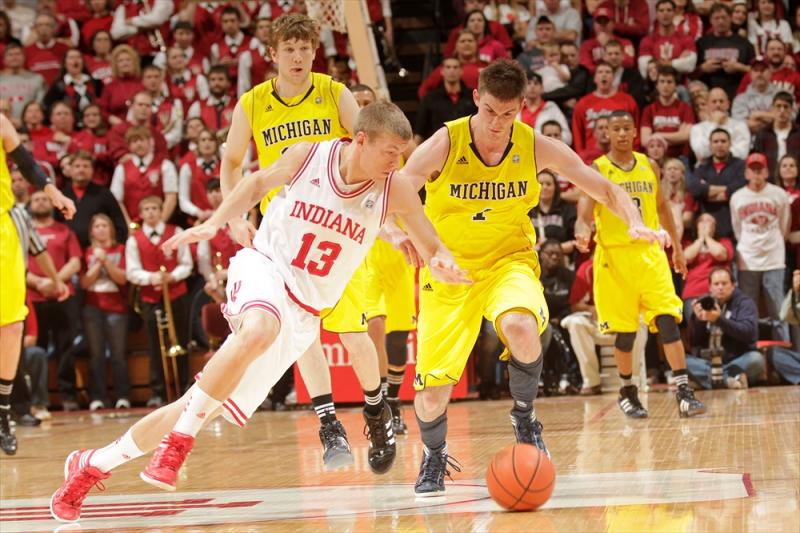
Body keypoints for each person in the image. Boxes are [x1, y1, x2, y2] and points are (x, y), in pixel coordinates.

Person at [49, 100, 468, 522]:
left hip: (303, 314)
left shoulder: (393, 188)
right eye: (390, 153)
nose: (398, 163)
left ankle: (92, 464)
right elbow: (253, 186)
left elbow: (431, 243)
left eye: (402, 154)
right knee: (260, 328)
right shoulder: (310, 155)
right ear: (360, 140)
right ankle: (178, 445)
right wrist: (215, 224)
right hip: (264, 267)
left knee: (193, 402)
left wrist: (444, 262)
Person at [390, 60, 661, 497]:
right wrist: (411, 242)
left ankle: (523, 415)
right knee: (433, 393)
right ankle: (435, 454)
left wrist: (632, 220)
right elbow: (398, 192)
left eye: (509, 114)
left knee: (520, 325)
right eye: (491, 111)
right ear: (476, 98)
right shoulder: (446, 141)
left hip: (508, 262)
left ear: (522, 108)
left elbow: (602, 185)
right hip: (449, 271)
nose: (498, 124)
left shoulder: (536, 145)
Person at [220, 13, 399, 471]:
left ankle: (377, 411)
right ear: (272, 55)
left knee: (352, 330)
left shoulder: (333, 93)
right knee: (302, 335)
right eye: (289, 49)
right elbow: (233, 161)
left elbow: (372, 144)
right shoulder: (253, 103)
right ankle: (328, 423)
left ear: (314, 52)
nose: (298, 57)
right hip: (283, 236)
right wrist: (235, 214)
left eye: (305, 48)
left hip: (336, 228)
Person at [575, 110, 706, 419]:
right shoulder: (598, 168)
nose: (621, 133)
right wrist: (582, 231)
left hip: (650, 255)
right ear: (606, 133)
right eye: (615, 129)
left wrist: (676, 250)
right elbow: (584, 212)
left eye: (626, 128)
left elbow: (662, 208)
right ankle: (627, 391)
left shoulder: (649, 164)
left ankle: (684, 392)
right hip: (615, 259)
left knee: (666, 320)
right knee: (626, 333)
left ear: (635, 132)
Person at [125, 196, 192, 407]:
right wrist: (151, 278)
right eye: (147, 208)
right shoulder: (134, 239)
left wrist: (172, 276)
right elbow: (132, 271)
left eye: (155, 208)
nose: (151, 212)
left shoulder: (177, 231)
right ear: (141, 213)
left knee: (180, 339)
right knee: (154, 344)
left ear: (162, 210)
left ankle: (185, 386)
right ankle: (159, 391)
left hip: (176, 293)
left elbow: (186, 263)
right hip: (150, 297)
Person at [562, 255, 647, 395]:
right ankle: (591, 381)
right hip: (597, 324)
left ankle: (632, 381)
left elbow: (641, 301)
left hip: (624, 323)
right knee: (576, 323)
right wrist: (591, 309)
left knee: (642, 322)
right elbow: (574, 305)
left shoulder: (629, 266)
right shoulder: (587, 268)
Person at [730, 152, 791, 341]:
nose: (756, 173)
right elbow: (737, 229)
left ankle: (785, 360)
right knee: (749, 312)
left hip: (774, 259)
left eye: (760, 169)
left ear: (766, 171)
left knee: (779, 312)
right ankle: (751, 354)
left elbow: (785, 226)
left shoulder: (779, 194)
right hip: (748, 260)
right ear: (746, 173)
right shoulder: (737, 197)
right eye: (752, 169)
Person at [80, 214, 130, 411]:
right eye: (97, 226)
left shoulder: (121, 250)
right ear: (91, 231)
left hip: (117, 308)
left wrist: (107, 261)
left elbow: (122, 279)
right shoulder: (86, 252)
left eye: (104, 225)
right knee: (96, 355)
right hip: (93, 308)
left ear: (111, 229)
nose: (100, 229)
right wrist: (98, 262)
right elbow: (84, 283)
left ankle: (123, 396)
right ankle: (98, 397)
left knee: (118, 354)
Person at [686, 267, 763, 389]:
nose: (720, 287)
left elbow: (750, 334)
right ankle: (727, 380)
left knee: (756, 359)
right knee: (681, 361)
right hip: (708, 361)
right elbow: (692, 342)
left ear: (733, 285)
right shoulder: (704, 303)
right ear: (710, 287)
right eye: (716, 284)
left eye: (724, 283)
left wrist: (719, 320)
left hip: (736, 360)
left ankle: (705, 380)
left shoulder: (745, 303)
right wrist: (698, 321)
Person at [687, 128, 746, 239]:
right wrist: (727, 189)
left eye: (723, 141)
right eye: (716, 141)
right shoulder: (701, 167)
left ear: (730, 144)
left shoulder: (740, 165)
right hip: (706, 224)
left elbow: (740, 187)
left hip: (733, 224)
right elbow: (695, 189)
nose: (719, 145)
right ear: (710, 145)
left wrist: (708, 190)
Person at [695, 3, 755, 101]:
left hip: (737, 93)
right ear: (710, 20)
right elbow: (690, 74)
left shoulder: (744, 43)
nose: (721, 21)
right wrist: (703, 68)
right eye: (717, 18)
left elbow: (755, 71)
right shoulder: (701, 43)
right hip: (708, 93)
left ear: (731, 18)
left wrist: (739, 67)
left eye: (724, 17)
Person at [414, 58, 477, 144]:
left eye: (455, 67)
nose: (452, 70)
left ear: (461, 71)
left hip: (467, 145)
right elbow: (420, 131)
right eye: (448, 67)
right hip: (439, 147)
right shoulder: (430, 98)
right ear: (442, 71)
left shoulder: (473, 96)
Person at [752, 92, 800, 176]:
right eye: (778, 106)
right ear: (772, 108)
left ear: (792, 110)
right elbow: (757, 161)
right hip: (769, 181)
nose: (782, 111)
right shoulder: (762, 133)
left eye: (786, 107)